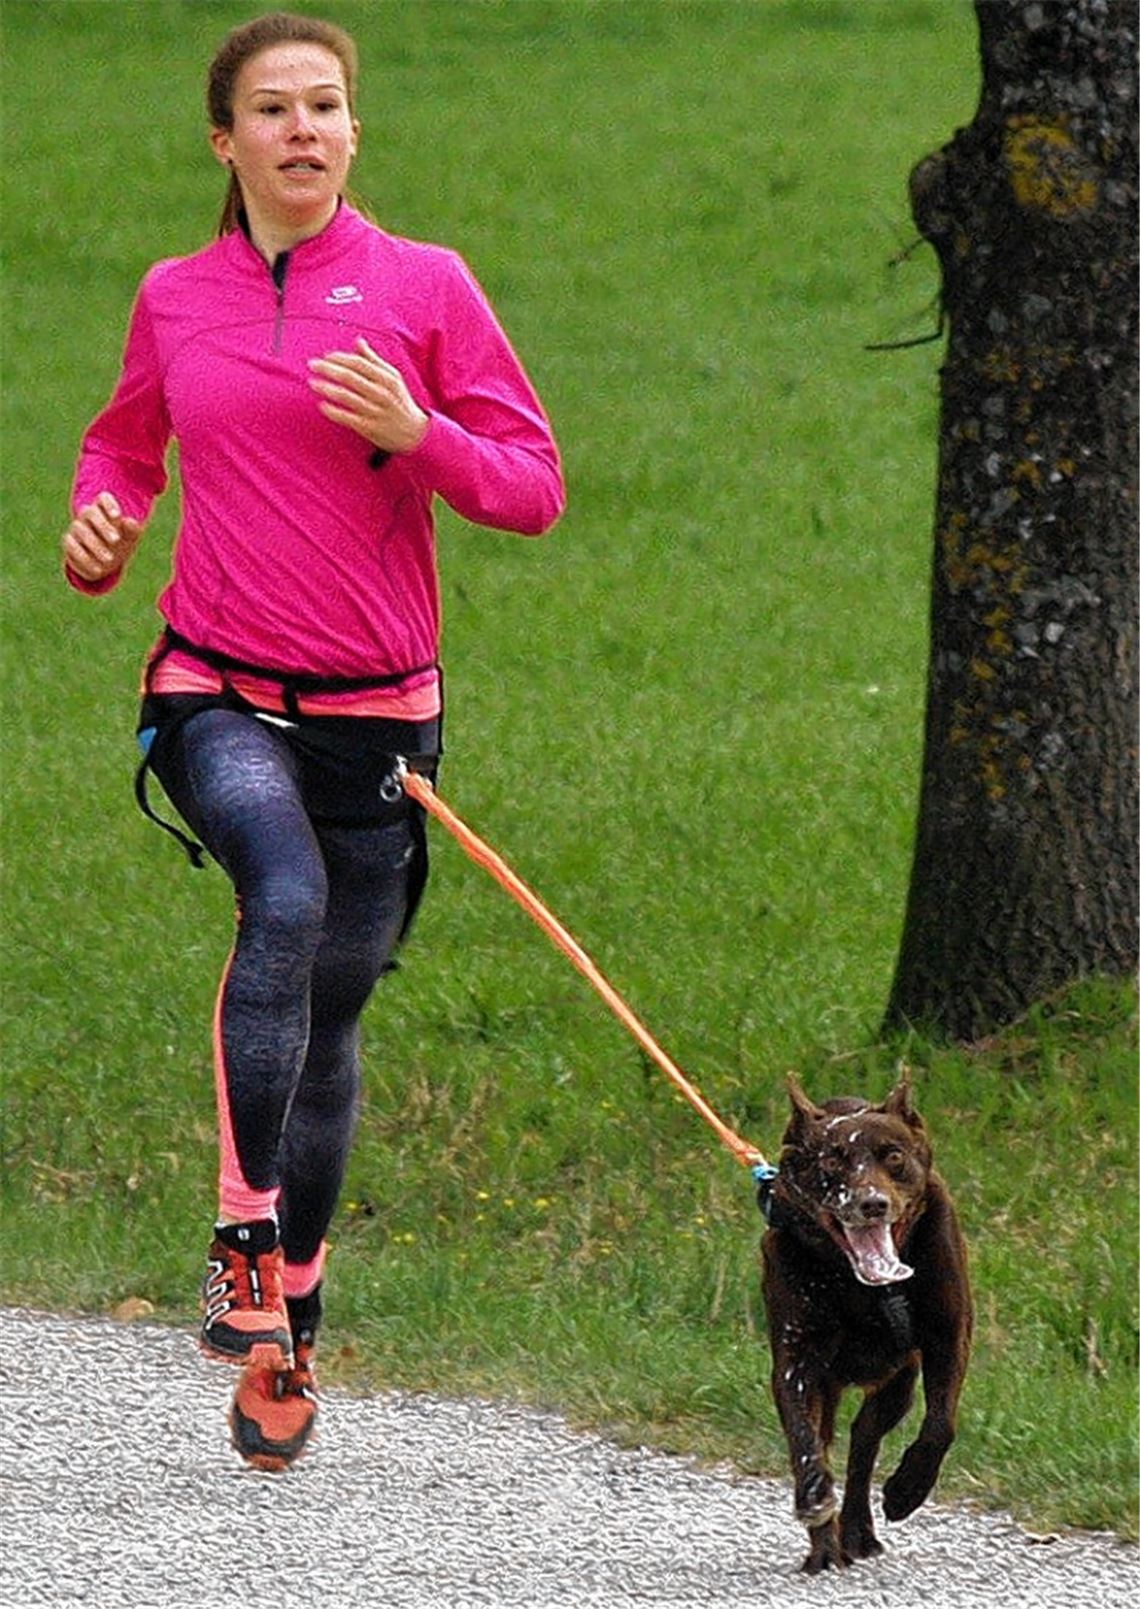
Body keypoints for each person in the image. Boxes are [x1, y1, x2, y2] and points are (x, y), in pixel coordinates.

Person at [62, 10, 564, 1472]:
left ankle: (293, 1311)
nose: (302, 129)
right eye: (273, 109)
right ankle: (242, 1236)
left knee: (331, 1016)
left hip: (381, 715)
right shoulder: (176, 296)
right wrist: (103, 525)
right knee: (277, 899)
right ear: (224, 141)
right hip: (216, 685)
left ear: (353, 131)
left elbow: (532, 487)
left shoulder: (426, 286)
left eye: (325, 105)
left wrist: (418, 431)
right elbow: (124, 441)